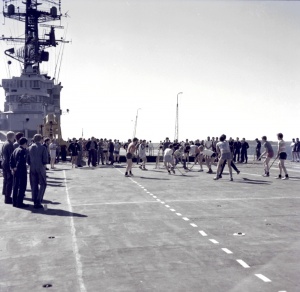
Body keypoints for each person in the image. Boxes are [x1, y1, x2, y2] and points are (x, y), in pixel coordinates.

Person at [27, 134, 48, 209]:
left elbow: (28, 159)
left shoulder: (29, 148)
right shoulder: (43, 148)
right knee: (43, 184)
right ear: (41, 139)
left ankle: (34, 199)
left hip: (32, 167)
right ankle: (38, 200)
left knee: (34, 184)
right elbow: (45, 160)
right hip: (40, 167)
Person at [10, 137, 29, 208]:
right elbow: (20, 161)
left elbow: (11, 159)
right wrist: (19, 167)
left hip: (16, 171)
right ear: (25, 143)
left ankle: (14, 202)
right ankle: (19, 202)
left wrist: (13, 168)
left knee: (15, 186)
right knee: (22, 187)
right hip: (21, 171)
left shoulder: (15, 149)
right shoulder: (22, 151)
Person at [2, 131, 15, 204]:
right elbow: (11, 157)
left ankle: (5, 193)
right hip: (8, 165)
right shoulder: (10, 145)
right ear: (12, 137)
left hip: (4, 163)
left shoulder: (4, 143)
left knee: (6, 180)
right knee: (9, 181)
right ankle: (7, 197)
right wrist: (12, 167)